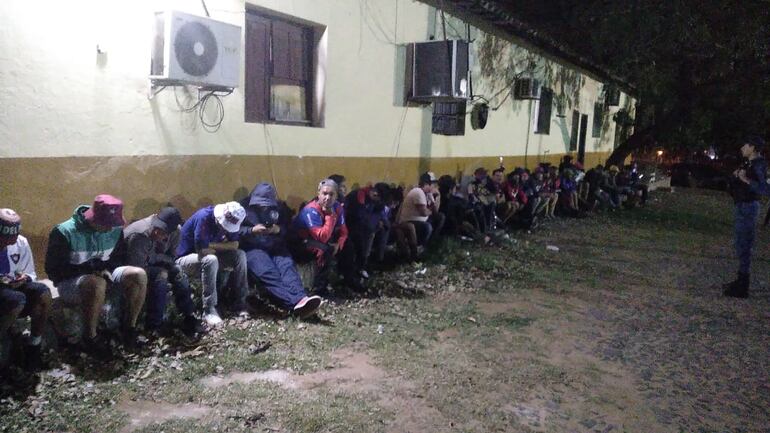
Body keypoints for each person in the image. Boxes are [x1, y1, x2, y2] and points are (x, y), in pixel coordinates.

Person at [45, 195, 147, 357]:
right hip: (71, 281)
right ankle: (90, 337)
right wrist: (90, 269)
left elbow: (118, 258)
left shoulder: (114, 230)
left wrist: (106, 269)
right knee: (96, 283)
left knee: (138, 275)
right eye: (107, 225)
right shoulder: (64, 232)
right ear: (94, 219)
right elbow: (54, 270)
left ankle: (129, 329)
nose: (110, 229)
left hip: (102, 273)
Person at [239, 183, 322, 318]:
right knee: (268, 272)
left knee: (287, 267)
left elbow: (289, 229)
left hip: (276, 245)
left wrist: (278, 230)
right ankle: (293, 304)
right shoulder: (241, 208)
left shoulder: (280, 208)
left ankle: (302, 299)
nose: (263, 207)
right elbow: (232, 232)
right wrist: (251, 230)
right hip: (253, 247)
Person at [124, 206, 204, 338]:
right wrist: (160, 259)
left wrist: (158, 258)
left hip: (157, 262)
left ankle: (189, 316)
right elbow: (137, 266)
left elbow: (172, 257)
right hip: (135, 269)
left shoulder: (176, 233)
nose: (158, 233)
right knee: (161, 276)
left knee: (179, 273)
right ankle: (154, 325)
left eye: (163, 232)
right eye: (158, 228)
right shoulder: (140, 234)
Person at [176, 202, 249, 326]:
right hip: (184, 258)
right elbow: (202, 251)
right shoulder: (203, 217)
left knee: (240, 255)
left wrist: (211, 245)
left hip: (210, 254)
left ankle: (240, 303)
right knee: (211, 260)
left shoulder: (232, 220)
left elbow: (235, 245)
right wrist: (222, 246)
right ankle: (209, 308)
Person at [0, 209, 52, 370]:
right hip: (7, 294)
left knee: (42, 293)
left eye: (11, 239)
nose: (7, 243)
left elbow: (30, 272)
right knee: (17, 300)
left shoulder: (20, 243)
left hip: (12, 288)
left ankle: (34, 346)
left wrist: (24, 278)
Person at [291, 179, 358, 293]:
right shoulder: (311, 210)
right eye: (324, 193)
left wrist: (339, 243)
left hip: (320, 238)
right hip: (301, 242)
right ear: (318, 194)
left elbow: (343, 231)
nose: (327, 198)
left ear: (336, 196)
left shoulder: (337, 207)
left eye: (331, 194)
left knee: (348, 245)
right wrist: (330, 216)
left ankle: (348, 280)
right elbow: (322, 237)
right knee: (326, 250)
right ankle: (319, 289)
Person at [723, 136, 768, 298]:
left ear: (753, 147)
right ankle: (740, 280)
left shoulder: (759, 165)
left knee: (744, 245)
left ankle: (743, 285)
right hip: (742, 205)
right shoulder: (749, 163)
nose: (742, 147)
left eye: (745, 145)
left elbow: (765, 188)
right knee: (740, 244)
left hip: (748, 207)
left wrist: (745, 179)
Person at [345, 183, 391, 277]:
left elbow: (380, 213)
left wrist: (383, 223)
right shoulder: (358, 197)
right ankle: (361, 265)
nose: (379, 201)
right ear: (375, 193)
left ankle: (378, 260)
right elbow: (358, 217)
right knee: (367, 233)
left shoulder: (376, 201)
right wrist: (375, 223)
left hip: (365, 225)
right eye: (379, 199)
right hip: (351, 225)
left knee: (383, 229)